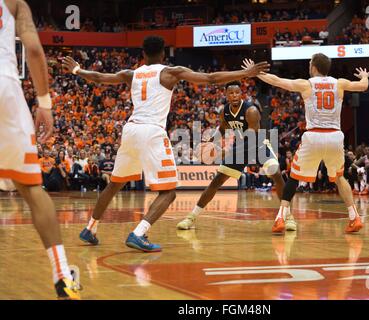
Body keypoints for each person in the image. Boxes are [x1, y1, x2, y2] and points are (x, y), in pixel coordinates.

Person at [64, 36, 270, 252]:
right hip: (152, 131)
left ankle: (90, 228)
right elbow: (210, 78)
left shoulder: (131, 74)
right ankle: (139, 233)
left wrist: (77, 70)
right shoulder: (169, 72)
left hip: (131, 130)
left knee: (115, 183)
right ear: (163, 54)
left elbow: (98, 77)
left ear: (143, 54)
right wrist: (245, 73)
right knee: (169, 192)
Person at [0, 0, 80, 299]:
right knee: (32, 189)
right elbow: (34, 50)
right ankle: (62, 276)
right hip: (4, 89)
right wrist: (44, 103)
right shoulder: (15, 3)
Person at [243, 55, 369, 234]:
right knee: (339, 177)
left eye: (310, 63)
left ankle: (280, 218)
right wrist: (364, 76)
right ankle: (354, 217)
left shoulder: (307, 84)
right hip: (335, 136)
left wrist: (256, 73)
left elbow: (277, 81)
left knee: (294, 177)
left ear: (315, 67)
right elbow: (363, 86)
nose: (309, 66)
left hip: (314, 135)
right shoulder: (339, 83)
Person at [176, 81, 285, 230]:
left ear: (241, 94)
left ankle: (288, 216)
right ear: (226, 95)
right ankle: (191, 217)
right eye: (231, 93)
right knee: (217, 181)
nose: (234, 95)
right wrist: (209, 141)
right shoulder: (225, 111)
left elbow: (252, 137)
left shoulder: (251, 110)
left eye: (237, 93)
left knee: (276, 173)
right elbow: (222, 129)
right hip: (240, 147)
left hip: (258, 145)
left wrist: (226, 151)